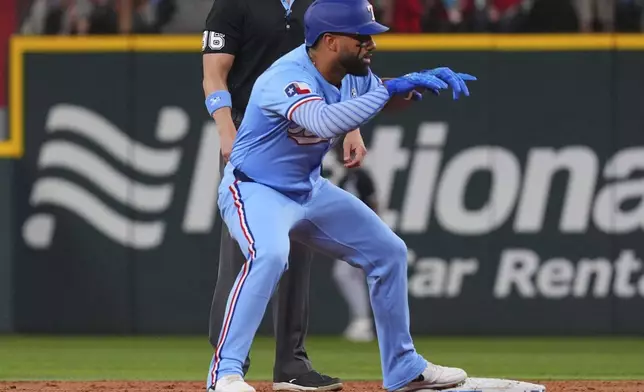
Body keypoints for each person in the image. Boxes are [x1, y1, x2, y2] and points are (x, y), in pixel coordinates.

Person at [204, 0, 477, 390]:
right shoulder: (286, 75)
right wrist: (389, 89)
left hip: (306, 189)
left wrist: (409, 87)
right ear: (331, 41)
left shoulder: (352, 73)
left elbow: (376, 101)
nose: (371, 44)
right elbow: (322, 119)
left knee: (389, 252)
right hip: (255, 189)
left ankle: (403, 367)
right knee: (270, 255)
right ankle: (225, 374)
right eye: (361, 37)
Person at [201, 0, 346, 390]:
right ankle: (229, 366)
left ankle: (292, 367)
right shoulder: (235, 3)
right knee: (245, 254)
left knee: (299, 254)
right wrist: (225, 129)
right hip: (249, 138)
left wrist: (352, 127)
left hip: (301, 142)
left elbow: (338, 68)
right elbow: (214, 73)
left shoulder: (318, 4)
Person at [329, 146, 378, 343]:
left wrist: (372, 230)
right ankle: (361, 321)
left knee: (345, 274)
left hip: (364, 232)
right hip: (349, 234)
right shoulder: (345, 178)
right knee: (351, 276)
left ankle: (363, 322)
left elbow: (374, 203)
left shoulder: (362, 176)